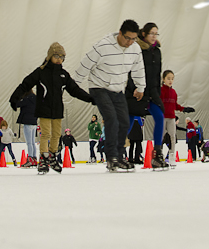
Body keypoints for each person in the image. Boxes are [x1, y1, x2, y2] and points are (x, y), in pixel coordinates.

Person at [10, 42, 93, 174]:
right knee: (46, 134)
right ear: (50, 56)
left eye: (62, 57)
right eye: (56, 56)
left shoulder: (64, 75)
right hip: (44, 109)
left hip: (57, 110)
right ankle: (43, 158)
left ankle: (52, 155)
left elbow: (75, 90)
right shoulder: (41, 72)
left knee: (56, 135)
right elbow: (26, 84)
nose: (59, 59)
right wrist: (14, 98)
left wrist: (90, 98)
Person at [73, 19, 145, 172]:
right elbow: (85, 65)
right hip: (99, 87)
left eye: (134, 38)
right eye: (127, 38)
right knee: (111, 119)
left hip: (118, 89)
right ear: (120, 33)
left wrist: (140, 87)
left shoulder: (135, 49)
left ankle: (119, 156)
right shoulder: (103, 46)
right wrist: (73, 86)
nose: (130, 42)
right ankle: (111, 157)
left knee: (125, 122)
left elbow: (139, 69)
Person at [125, 22, 167, 170]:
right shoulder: (136, 49)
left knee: (159, 117)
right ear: (144, 34)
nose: (154, 36)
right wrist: (133, 88)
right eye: (152, 34)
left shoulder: (157, 51)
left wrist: (158, 92)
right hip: (137, 91)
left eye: (156, 34)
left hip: (152, 92)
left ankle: (157, 154)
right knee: (128, 122)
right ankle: (117, 152)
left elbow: (157, 74)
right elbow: (129, 71)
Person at [160, 70, 194, 168]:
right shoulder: (161, 91)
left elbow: (175, 105)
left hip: (171, 117)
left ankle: (171, 157)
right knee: (160, 137)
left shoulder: (173, 92)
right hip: (162, 117)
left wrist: (184, 109)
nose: (170, 80)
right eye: (168, 78)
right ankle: (159, 155)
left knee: (172, 137)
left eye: (172, 79)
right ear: (163, 79)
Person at [14, 89, 37, 167]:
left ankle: (30, 158)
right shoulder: (35, 98)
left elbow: (17, 104)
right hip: (34, 122)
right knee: (33, 142)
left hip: (27, 122)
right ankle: (34, 158)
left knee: (29, 143)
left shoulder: (26, 99)